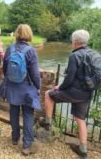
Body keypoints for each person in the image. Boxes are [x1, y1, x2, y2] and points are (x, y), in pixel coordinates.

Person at [39, 30, 93, 158]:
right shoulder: (93, 54)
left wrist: (59, 87)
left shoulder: (74, 56)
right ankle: (83, 150)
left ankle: (47, 122)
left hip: (74, 92)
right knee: (80, 119)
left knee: (48, 94)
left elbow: (69, 78)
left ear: (74, 42)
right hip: (87, 93)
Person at [0, 24, 41, 155]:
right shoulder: (31, 51)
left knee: (13, 112)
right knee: (28, 114)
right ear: (29, 34)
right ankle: (27, 145)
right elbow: (35, 74)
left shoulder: (9, 49)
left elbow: (4, 69)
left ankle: (14, 138)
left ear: (17, 34)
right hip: (27, 88)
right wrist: (38, 87)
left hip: (12, 86)